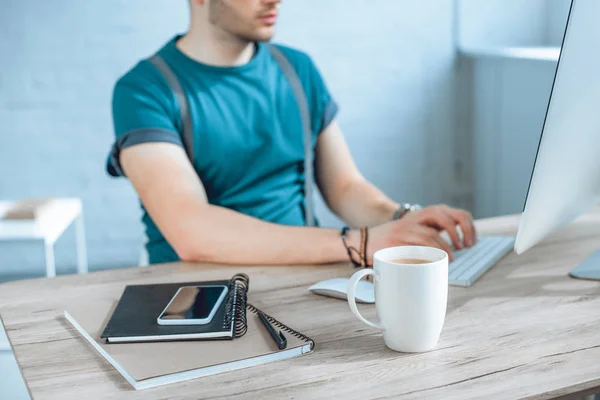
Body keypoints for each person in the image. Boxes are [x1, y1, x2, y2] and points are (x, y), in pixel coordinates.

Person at [107, 0, 476, 266]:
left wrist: (402, 220)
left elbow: (346, 187)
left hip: (305, 273)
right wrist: (359, 243)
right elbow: (192, 230)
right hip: (199, 293)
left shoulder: (297, 68)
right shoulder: (144, 91)